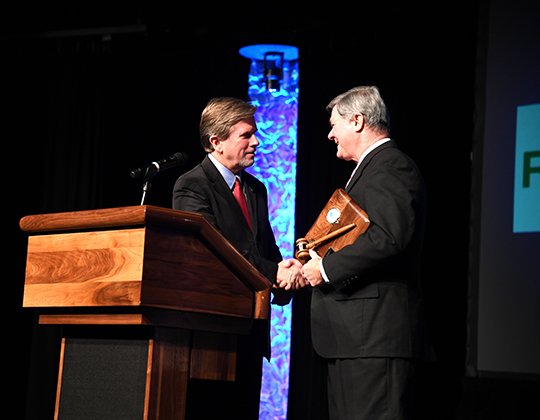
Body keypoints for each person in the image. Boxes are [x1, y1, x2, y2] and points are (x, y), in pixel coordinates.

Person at [301, 85, 435, 420]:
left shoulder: (390, 166)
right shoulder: (372, 168)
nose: (330, 134)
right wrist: (309, 262)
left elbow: (389, 237)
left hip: (375, 338)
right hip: (356, 340)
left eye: (334, 125)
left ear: (357, 121)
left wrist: (326, 269)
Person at [172, 96, 304, 419]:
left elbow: (264, 250)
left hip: (250, 330)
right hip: (211, 337)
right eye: (246, 135)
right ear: (216, 141)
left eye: (254, 133)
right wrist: (275, 273)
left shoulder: (256, 189)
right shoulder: (192, 186)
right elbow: (219, 250)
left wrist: (284, 277)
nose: (256, 141)